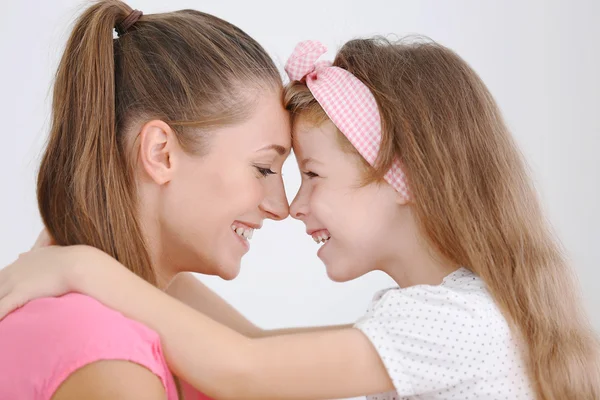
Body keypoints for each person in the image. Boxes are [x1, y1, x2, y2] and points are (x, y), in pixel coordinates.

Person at [3, 38, 600, 399]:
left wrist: (81, 267)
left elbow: (243, 369)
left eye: (310, 175)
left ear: (404, 178)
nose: (292, 205)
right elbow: (250, 346)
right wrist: (118, 255)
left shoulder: (450, 323)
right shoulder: (459, 309)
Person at [0, 0, 292, 398]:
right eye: (263, 169)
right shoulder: (109, 356)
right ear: (161, 153)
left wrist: (84, 265)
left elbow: (266, 361)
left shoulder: (135, 312)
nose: (281, 207)